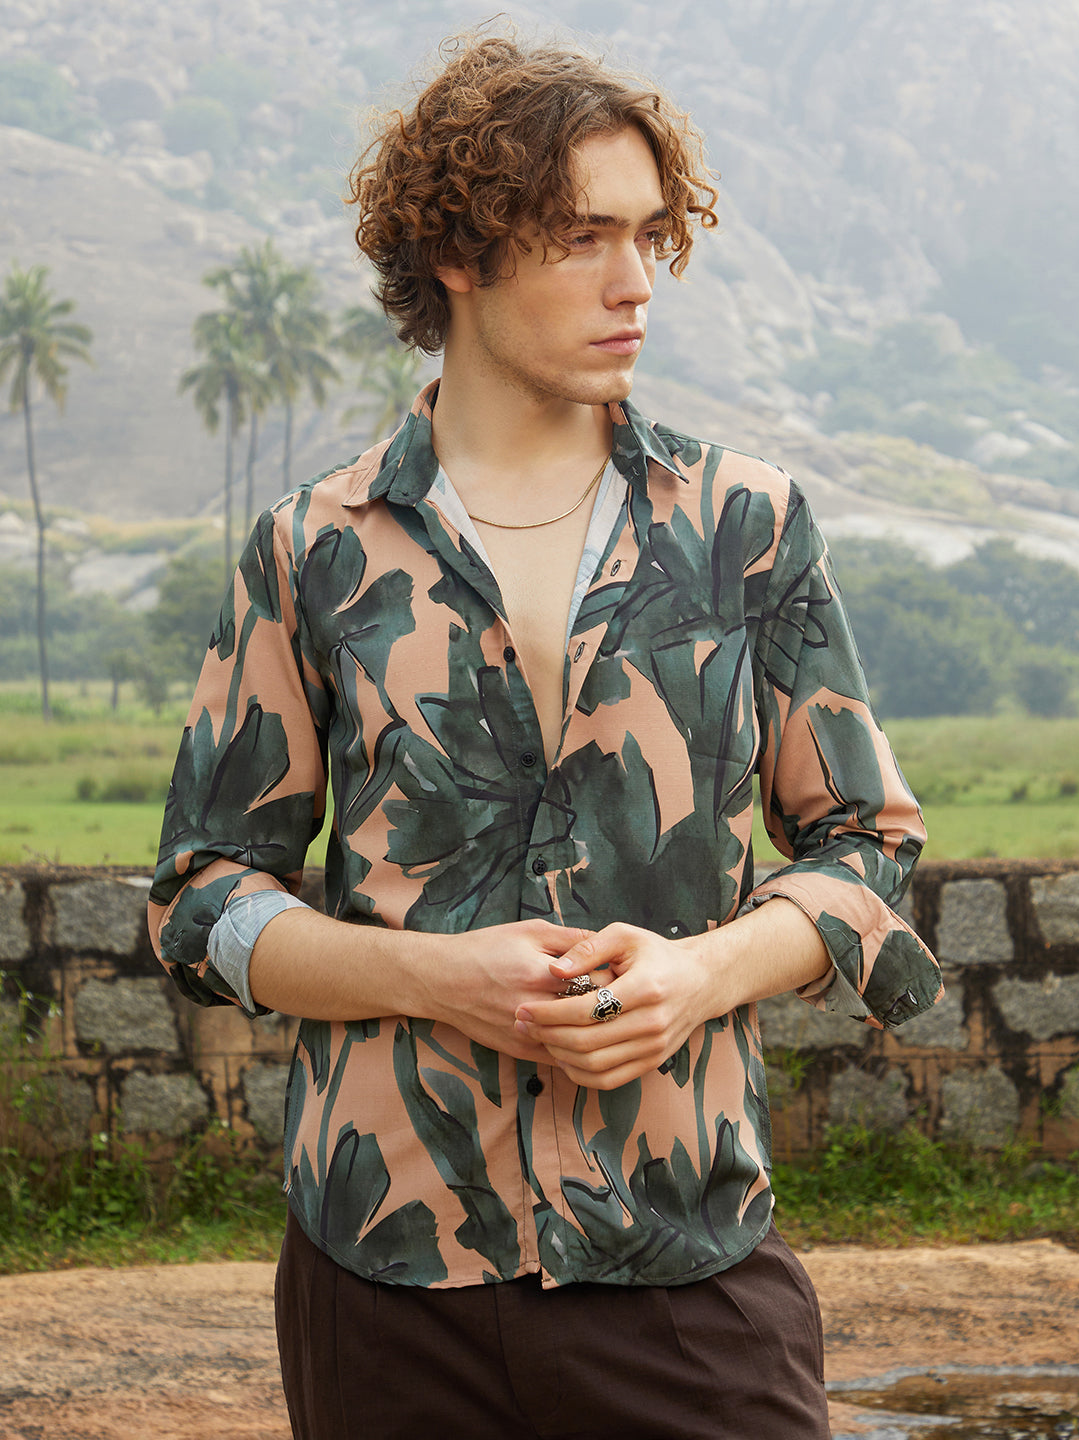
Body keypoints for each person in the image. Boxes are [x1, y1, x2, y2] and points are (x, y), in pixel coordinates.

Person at [149, 30, 942, 1439]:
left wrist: (697, 976)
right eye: (584, 238)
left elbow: (865, 847)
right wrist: (431, 978)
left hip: (680, 1253)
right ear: (459, 252)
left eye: (649, 235)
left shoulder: (745, 527)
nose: (636, 282)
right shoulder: (313, 550)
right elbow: (201, 899)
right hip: (384, 1273)